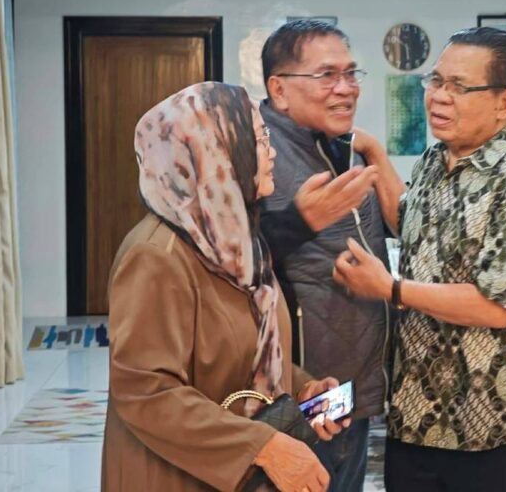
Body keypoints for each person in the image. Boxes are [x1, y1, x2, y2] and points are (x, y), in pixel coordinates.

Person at [333, 27, 506, 491]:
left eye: (459, 86)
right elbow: (408, 222)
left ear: (504, 102)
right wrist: (375, 154)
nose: (439, 96)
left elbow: (495, 305)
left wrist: (391, 289)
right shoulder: (435, 161)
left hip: (492, 431)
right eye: (435, 81)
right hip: (415, 418)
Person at [102, 82, 348, 492]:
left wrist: (303, 389)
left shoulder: (236, 243)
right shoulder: (157, 256)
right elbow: (146, 391)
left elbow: (245, 351)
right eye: (259, 140)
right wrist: (262, 447)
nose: (270, 152)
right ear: (214, 153)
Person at [258, 19, 390, 492]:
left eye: (351, 74)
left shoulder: (338, 147)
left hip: (351, 387)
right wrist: (300, 221)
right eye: (327, 75)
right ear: (279, 89)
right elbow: (224, 266)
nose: (346, 88)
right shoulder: (258, 155)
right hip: (302, 390)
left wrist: (375, 152)